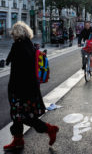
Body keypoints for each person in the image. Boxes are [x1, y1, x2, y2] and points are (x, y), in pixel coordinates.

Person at [4, 21, 59, 151]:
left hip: (21, 89)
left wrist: (13, 90)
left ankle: (49, 129)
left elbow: (18, 71)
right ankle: (18, 140)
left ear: (17, 34)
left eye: (13, 33)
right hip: (30, 88)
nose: (12, 35)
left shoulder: (19, 47)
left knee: (24, 117)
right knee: (18, 117)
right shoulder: (29, 46)